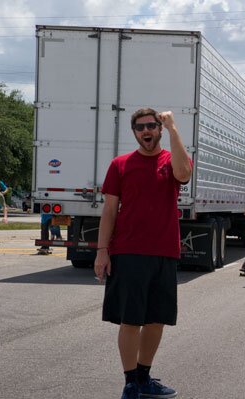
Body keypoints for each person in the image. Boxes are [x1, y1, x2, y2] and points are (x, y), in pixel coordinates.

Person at [94, 108, 192, 399]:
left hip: (164, 251)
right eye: (140, 127)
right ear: (134, 132)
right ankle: (130, 383)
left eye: (152, 126)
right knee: (131, 320)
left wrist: (173, 128)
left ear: (160, 129)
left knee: (156, 319)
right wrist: (102, 251)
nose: (146, 131)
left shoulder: (172, 160)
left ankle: (144, 377)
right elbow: (109, 210)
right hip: (128, 251)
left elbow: (184, 175)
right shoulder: (120, 164)